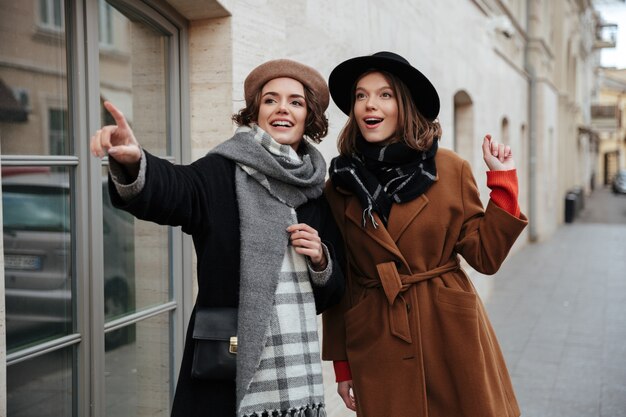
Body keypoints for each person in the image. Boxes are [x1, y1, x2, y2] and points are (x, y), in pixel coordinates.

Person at [90, 59, 344, 417]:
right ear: (255, 112)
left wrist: (321, 259)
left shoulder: (315, 192)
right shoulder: (222, 171)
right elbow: (177, 191)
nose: (283, 108)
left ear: (309, 118)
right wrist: (136, 162)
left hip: (294, 371)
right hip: (226, 360)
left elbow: (332, 292)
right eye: (270, 100)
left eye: (296, 102)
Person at [321, 51, 528, 417]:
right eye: (361, 95)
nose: (371, 105)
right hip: (377, 335)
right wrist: (342, 364)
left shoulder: (448, 168)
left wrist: (504, 184)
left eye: (385, 95)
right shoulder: (339, 185)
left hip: (449, 329)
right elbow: (344, 282)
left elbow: (486, 256)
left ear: (405, 103)